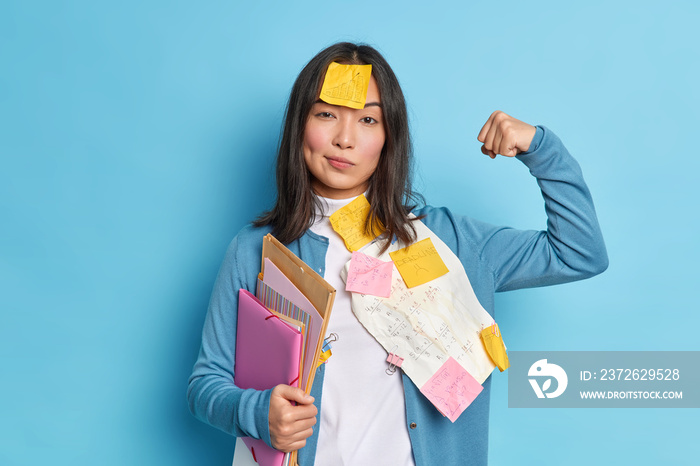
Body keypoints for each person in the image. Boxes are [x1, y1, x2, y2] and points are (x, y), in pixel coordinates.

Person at [187, 42, 608, 465]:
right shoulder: (257, 249)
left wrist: (541, 148)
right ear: (300, 124)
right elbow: (206, 384)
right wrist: (258, 413)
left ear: (389, 138)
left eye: (368, 119)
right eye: (326, 114)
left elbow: (579, 252)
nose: (344, 139)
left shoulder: (449, 241)